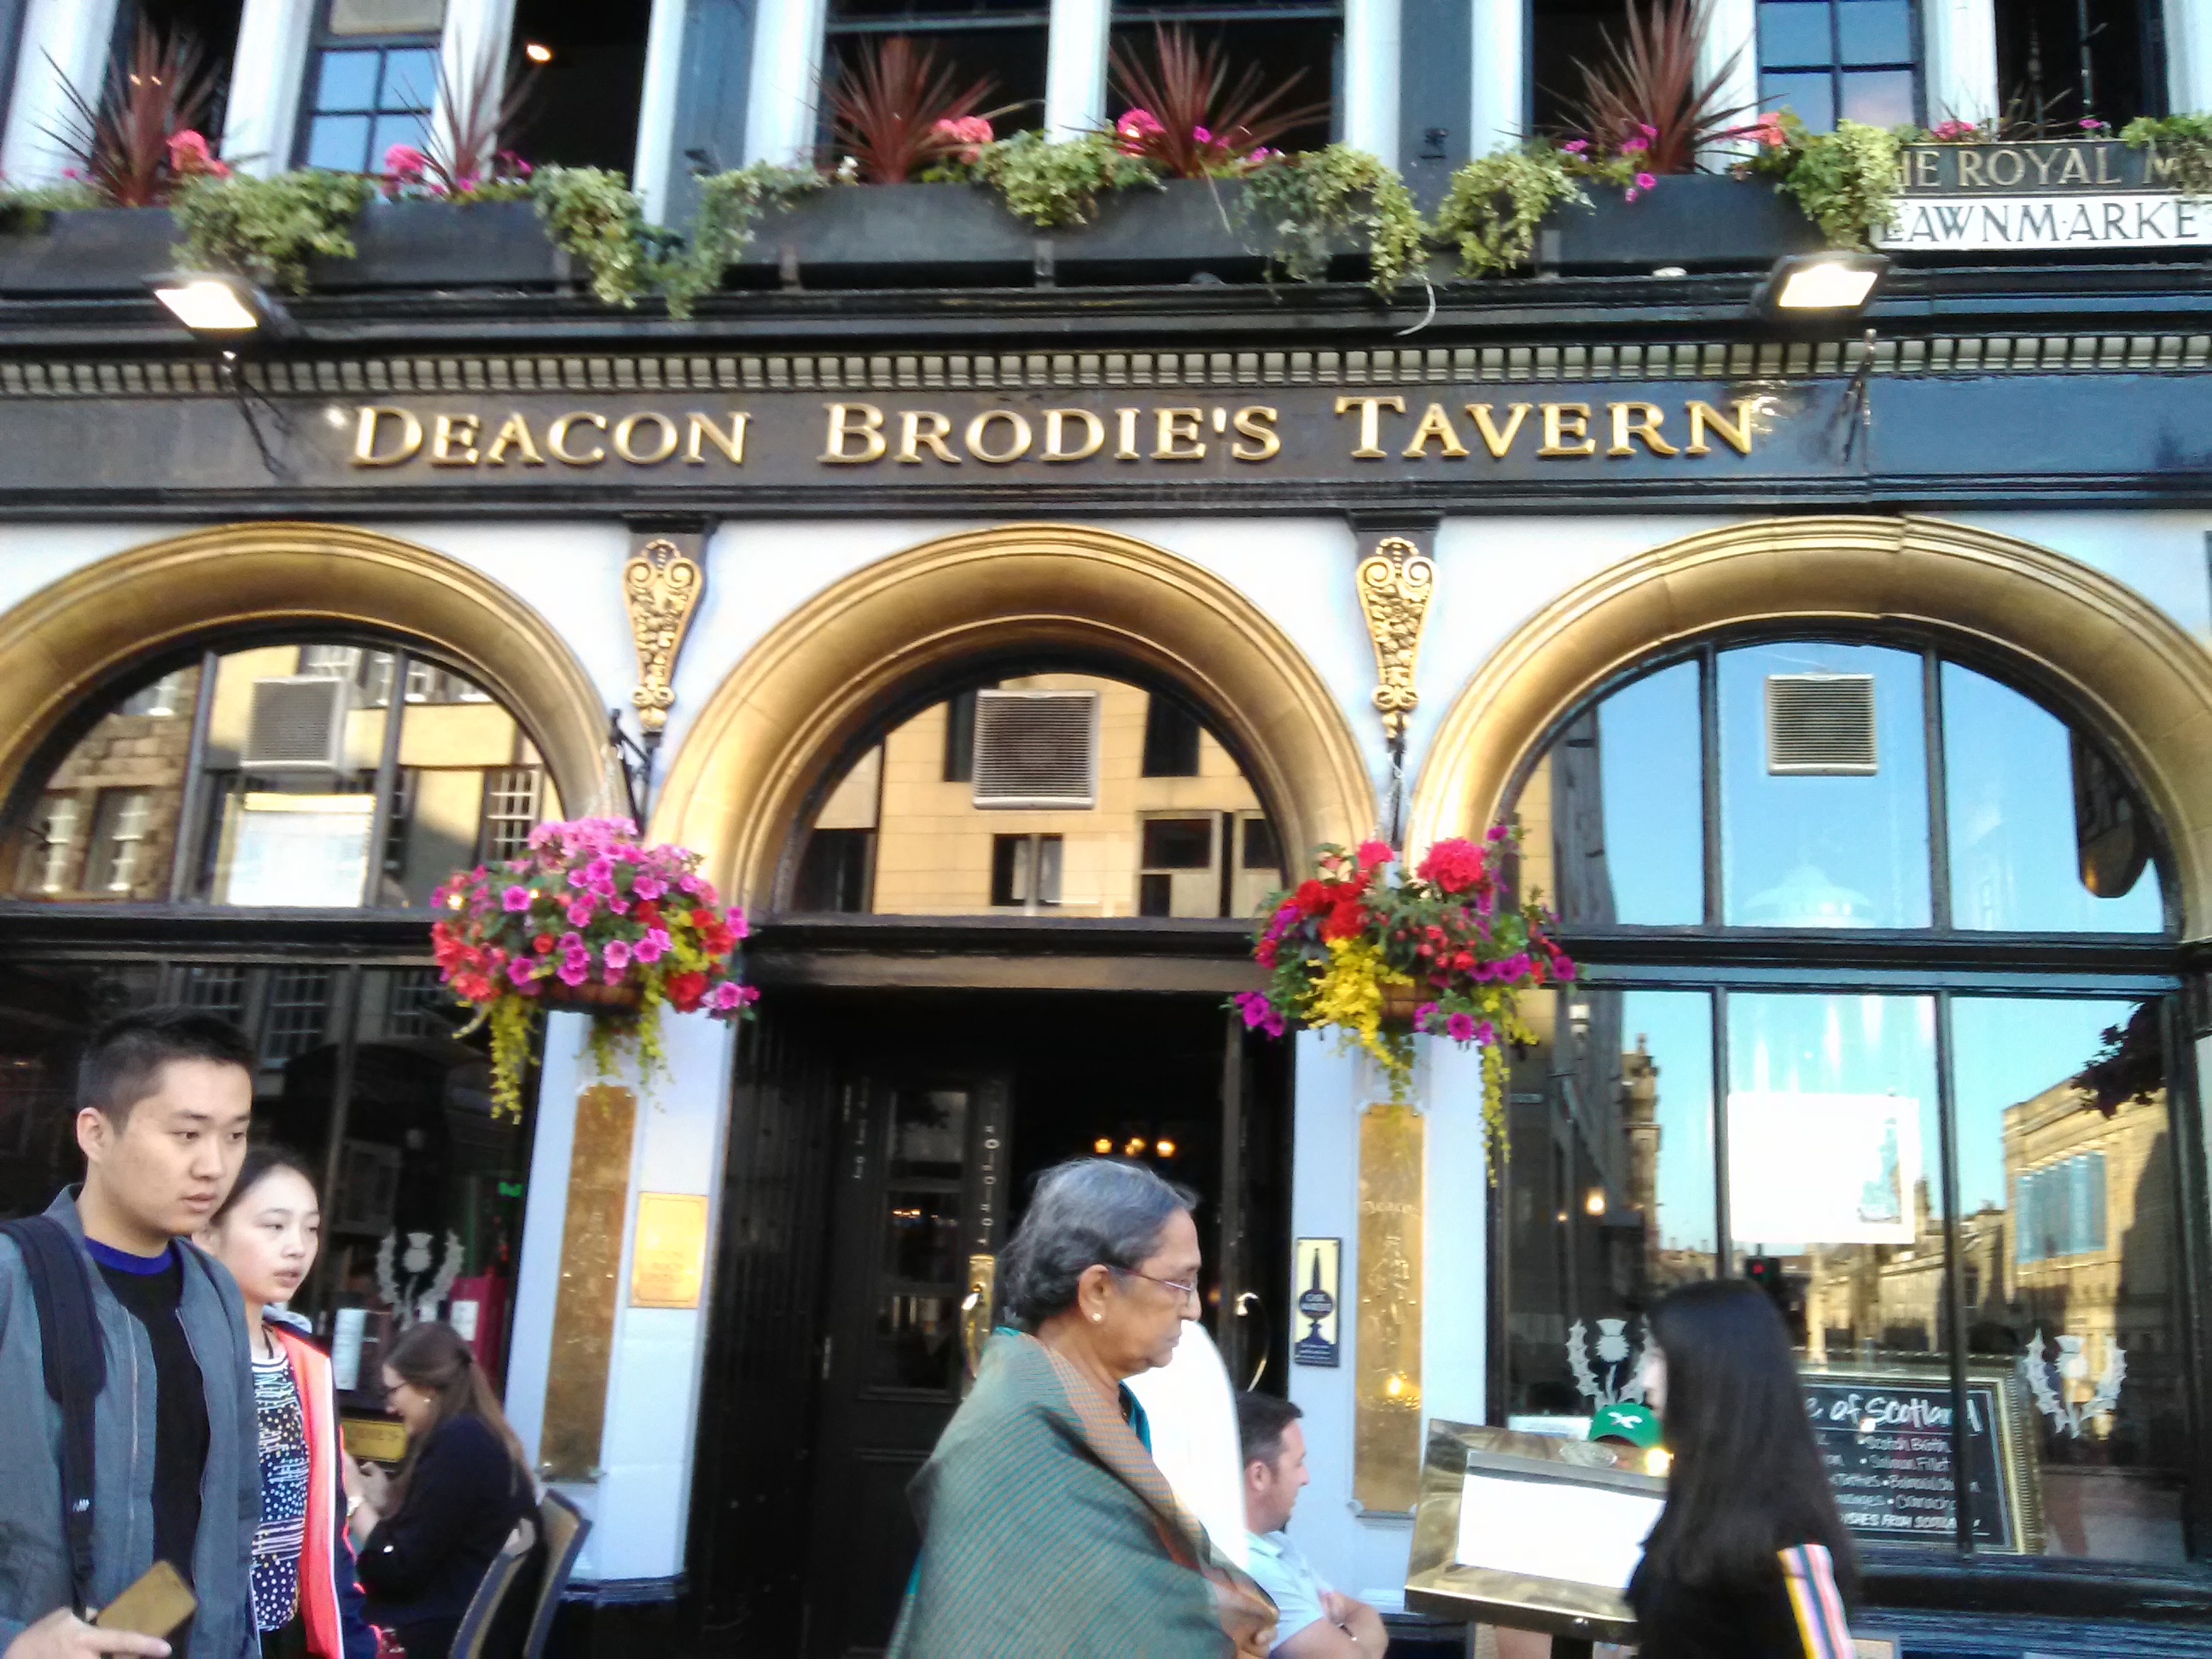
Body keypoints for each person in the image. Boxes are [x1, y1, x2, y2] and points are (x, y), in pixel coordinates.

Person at [889, 1158, 1275, 1659]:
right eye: (1180, 1283)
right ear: (1097, 1290)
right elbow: (1051, 1616)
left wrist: (1215, 1609)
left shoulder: (1100, 1408)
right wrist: (1208, 1620)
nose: (1194, 1308)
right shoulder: (1006, 1433)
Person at [0, 1007, 262, 1659]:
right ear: (95, 1132)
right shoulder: (12, 1279)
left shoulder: (215, 1292)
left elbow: (236, 1510)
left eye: (235, 1136)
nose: (214, 1165)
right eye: (187, 1134)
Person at [198, 1148, 377, 1659]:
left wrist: (353, 1642)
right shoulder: (177, 1353)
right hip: (196, 1632)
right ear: (205, 1234)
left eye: (311, 1229)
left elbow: (327, 1532)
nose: (297, 1247)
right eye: (274, 1226)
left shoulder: (306, 1366)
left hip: (286, 1633)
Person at [1626, 1279, 1859, 1658]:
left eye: (1659, 1358)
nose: (1645, 1380)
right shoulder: (1702, 1498)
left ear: (1710, 1372)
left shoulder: (1788, 1533)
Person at [345, 1322, 535, 1659]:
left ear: (427, 1388)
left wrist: (355, 1500)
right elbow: (440, 1530)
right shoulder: (474, 1432)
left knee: (322, 1623)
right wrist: (386, 1501)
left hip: (440, 1633)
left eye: (393, 1391)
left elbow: (396, 1572)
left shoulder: (460, 1443)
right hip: (465, 1620)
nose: (389, 1407)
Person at [1235, 1394, 1388, 1659]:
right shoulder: (1252, 1567)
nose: (1305, 1478)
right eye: (1298, 1464)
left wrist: (1339, 1634)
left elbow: (1364, 1612)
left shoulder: (1275, 1542)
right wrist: (1345, 1633)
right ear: (1259, 1475)